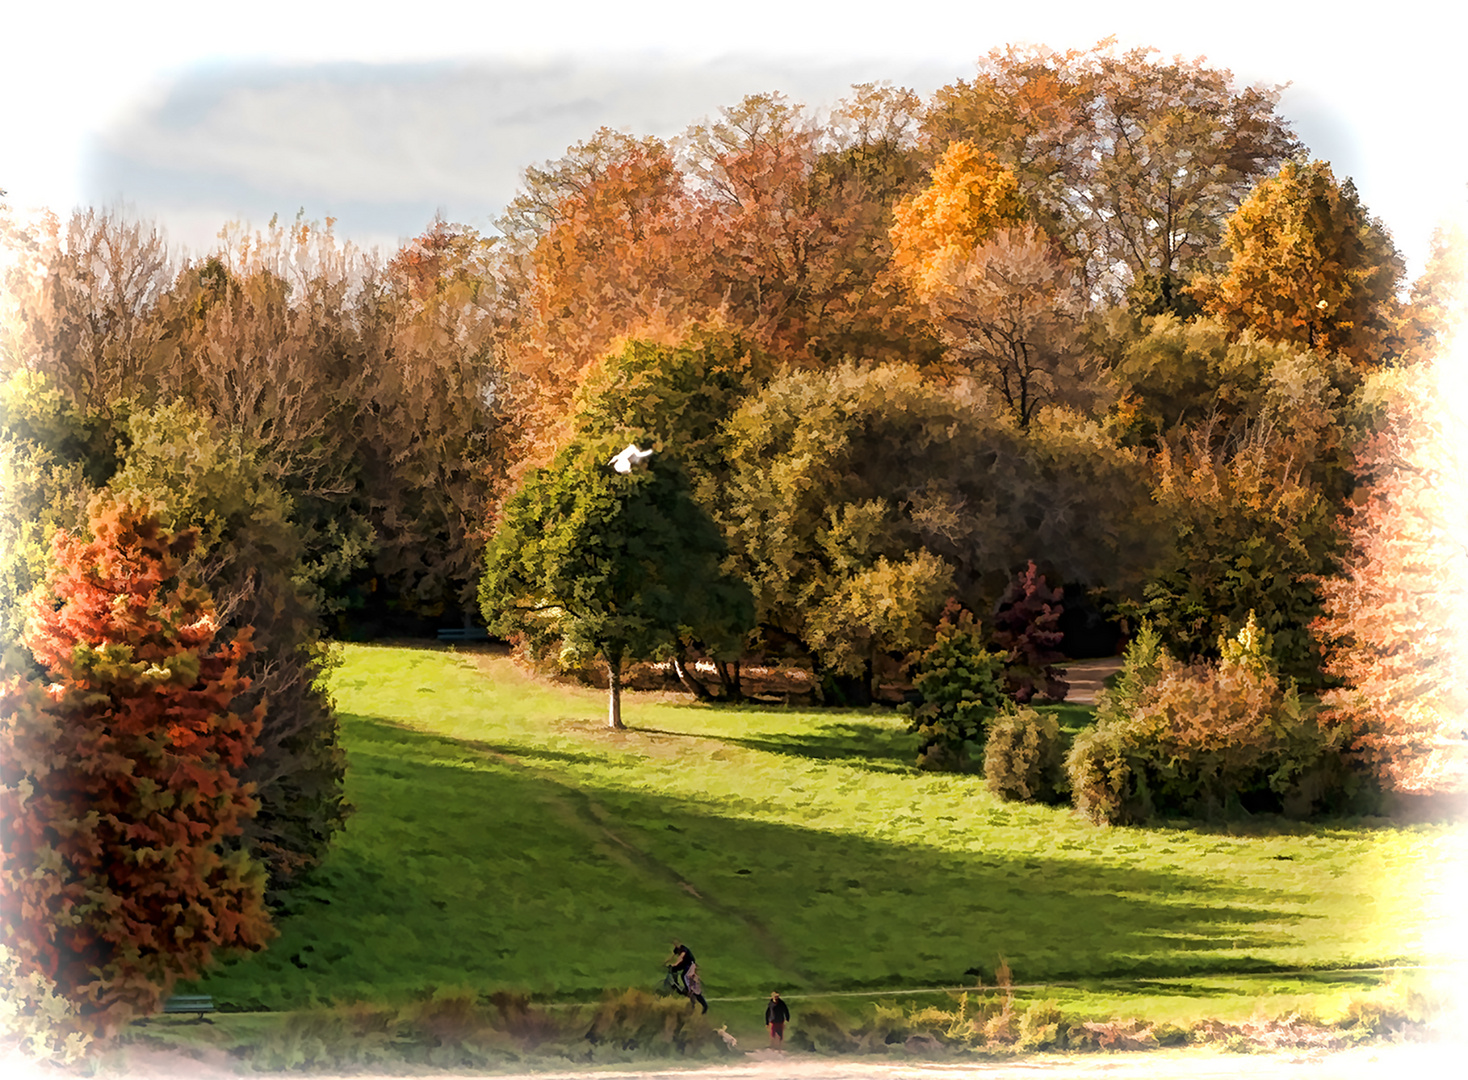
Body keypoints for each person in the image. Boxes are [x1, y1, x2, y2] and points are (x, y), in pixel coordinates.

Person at [664, 940, 708, 1013]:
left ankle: (689, 990)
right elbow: (672, 956)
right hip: (685, 965)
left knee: (684, 976)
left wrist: (675, 964)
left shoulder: (684, 950)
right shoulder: (677, 950)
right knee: (673, 970)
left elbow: (680, 957)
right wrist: (665, 962)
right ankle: (675, 984)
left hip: (690, 965)